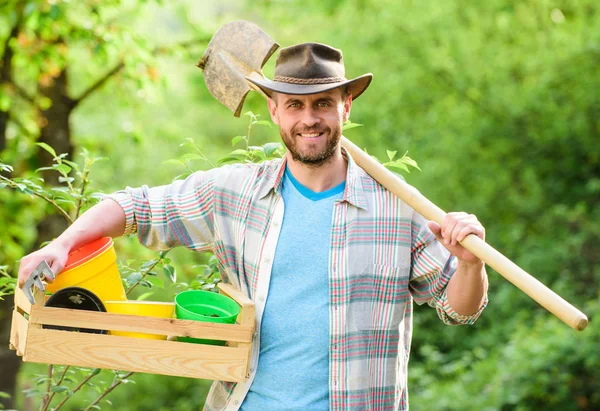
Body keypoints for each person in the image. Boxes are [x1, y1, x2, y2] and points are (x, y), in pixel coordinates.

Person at [18, 43, 488, 411]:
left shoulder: (397, 207)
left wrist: (469, 264)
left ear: (346, 106)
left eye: (322, 104)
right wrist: (62, 244)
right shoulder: (234, 193)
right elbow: (136, 206)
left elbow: (460, 309)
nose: (309, 119)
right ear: (274, 111)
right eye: (295, 105)